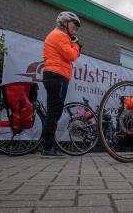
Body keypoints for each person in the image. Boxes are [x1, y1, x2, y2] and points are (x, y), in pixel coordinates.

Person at [41, 11, 82, 156]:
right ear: (64, 22)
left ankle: (47, 146)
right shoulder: (60, 35)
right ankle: (47, 148)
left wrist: (73, 43)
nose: (75, 28)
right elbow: (71, 55)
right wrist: (77, 46)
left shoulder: (59, 35)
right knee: (54, 113)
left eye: (77, 27)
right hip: (57, 76)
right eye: (74, 25)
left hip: (54, 75)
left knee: (52, 113)